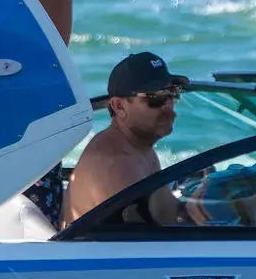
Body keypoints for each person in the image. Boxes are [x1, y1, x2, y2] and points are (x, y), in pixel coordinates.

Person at [62, 52, 187, 226]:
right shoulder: (115, 163)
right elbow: (147, 240)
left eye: (173, 93)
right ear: (119, 106)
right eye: (156, 97)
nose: (168, 104)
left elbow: (169, 214)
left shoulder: (140, 148)